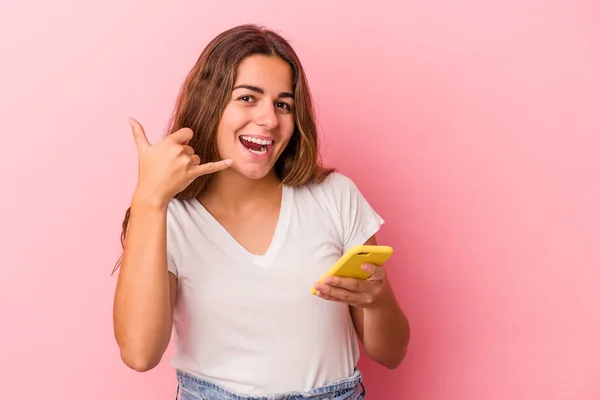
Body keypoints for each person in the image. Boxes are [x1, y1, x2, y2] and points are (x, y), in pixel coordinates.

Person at [112, 24, 410, 400]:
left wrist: (376, 300)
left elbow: (392, 353)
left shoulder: (335, 197)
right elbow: (139, 353)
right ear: (211, 103)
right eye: (248, 98)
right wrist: (149, 201)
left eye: (283, 104)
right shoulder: (171, 217)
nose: (269, 119)